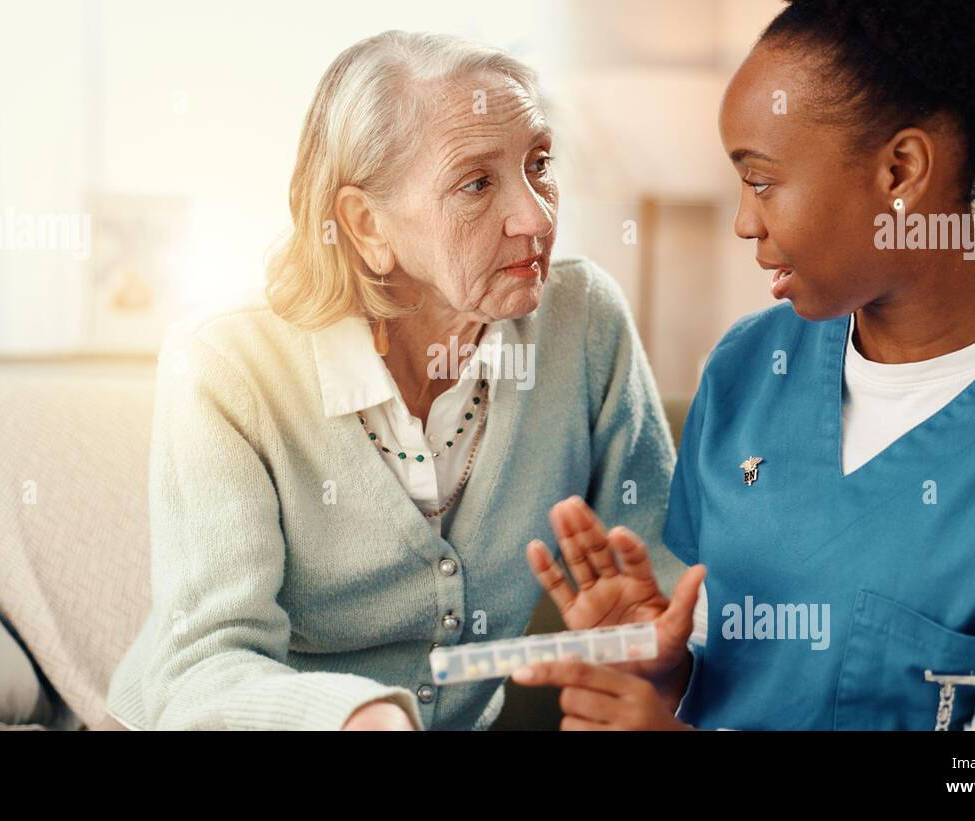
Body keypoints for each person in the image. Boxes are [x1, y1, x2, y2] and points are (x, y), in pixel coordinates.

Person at [513, 0, 975, 730]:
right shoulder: (748, 366)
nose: (745, 220)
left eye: (763, 180)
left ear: (900, 170)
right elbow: (740, 677)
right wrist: (664, 666)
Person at [104, 30, 685, 731]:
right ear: (366, 224)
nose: (536, 216)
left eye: (538, 163)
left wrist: (659, 664)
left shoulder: (583, 322)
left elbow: (664, 591)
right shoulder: (228, 364)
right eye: (476, 183)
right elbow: (201, 666)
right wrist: (363, 717)